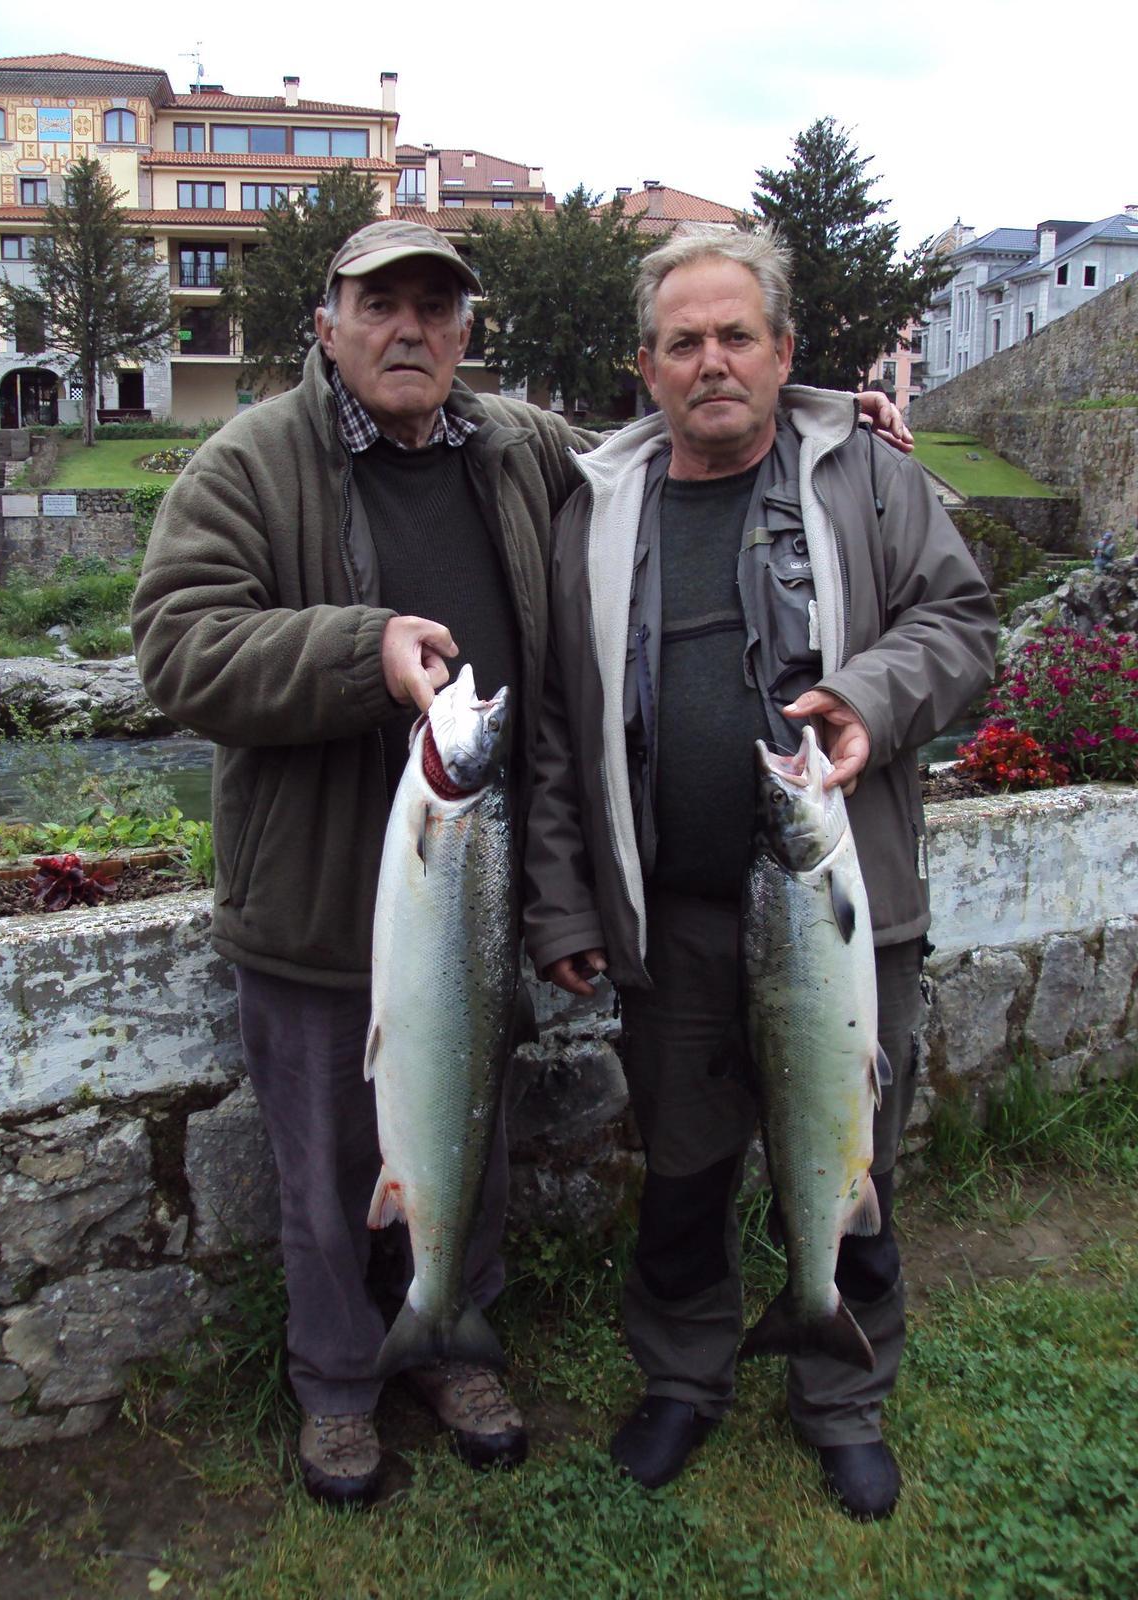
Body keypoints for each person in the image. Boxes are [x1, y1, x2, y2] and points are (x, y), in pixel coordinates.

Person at [131, 218, 911, 1509]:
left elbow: (693, 416)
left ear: (464, 332)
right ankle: (338, 1387)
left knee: (463, 1138)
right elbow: (176, 648)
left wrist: (836, 410)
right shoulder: (250, 462)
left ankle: (452, 1342)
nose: (410, 332)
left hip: (473, 894)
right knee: (335, 1172)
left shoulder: (516, 446)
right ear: (326, 323)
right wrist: (356, 650)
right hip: (325, 900)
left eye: (436, 310)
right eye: (381, 307)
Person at [523, 224, 998, 1519]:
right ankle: (681, 1382)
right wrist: (566, 898)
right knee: (680, 1169)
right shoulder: (596, 508)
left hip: (842, 912)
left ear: (785, 351)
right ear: (646, 365)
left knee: (849, 1164)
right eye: (685, 341)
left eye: (738, 335)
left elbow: (962, 626)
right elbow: (561, 729)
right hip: (668, 916)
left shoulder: (874, 482)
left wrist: (868, 694)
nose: (713, 360)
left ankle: (842, 1392)